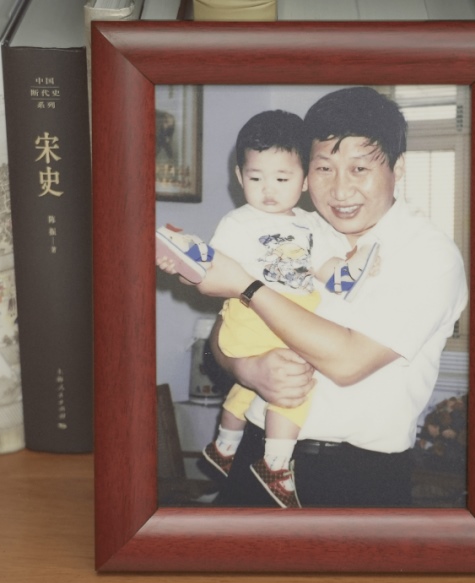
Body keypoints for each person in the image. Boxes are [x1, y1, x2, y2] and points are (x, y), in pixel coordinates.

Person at [192, 86, 468, 507]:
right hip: (256, 452)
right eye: (324, 168)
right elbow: (224, 328)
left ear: (398, 166)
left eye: (359, 169)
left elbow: (347, 362)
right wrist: (246, 369)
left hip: (355, 477)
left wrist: (248, 287)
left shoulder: (428, 254)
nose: (340, 191)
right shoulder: (294, 224)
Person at [157, 109, 378, 508]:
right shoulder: (239, 223)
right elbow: (211, 271)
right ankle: (275, 463)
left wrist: (351, 268)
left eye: (282, 178)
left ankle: (225, 446)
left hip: (289, 312)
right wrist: (184, 268)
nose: (268, 190)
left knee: (250, 386)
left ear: (305, 181)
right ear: (240, 177)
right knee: (295, 384)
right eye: (256, 178)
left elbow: (325, 269)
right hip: (250, 315)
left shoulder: (312, 225)